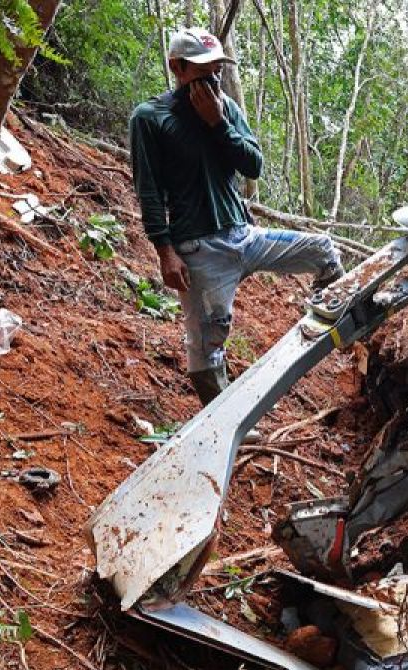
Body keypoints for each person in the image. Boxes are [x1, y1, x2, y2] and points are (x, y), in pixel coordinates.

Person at [128, 28, 343, 407]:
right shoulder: (150, 118)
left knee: (323, 250)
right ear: (177, 68)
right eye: (202, 72)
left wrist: (218, 123)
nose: (212, 81)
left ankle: (341, 324)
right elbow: (149, 190)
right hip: (199, 250)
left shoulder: (225, 108)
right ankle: (223, 422)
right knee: (207, 347)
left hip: (245, 236)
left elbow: (253, 165)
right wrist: (165, 252)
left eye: (216, 71)